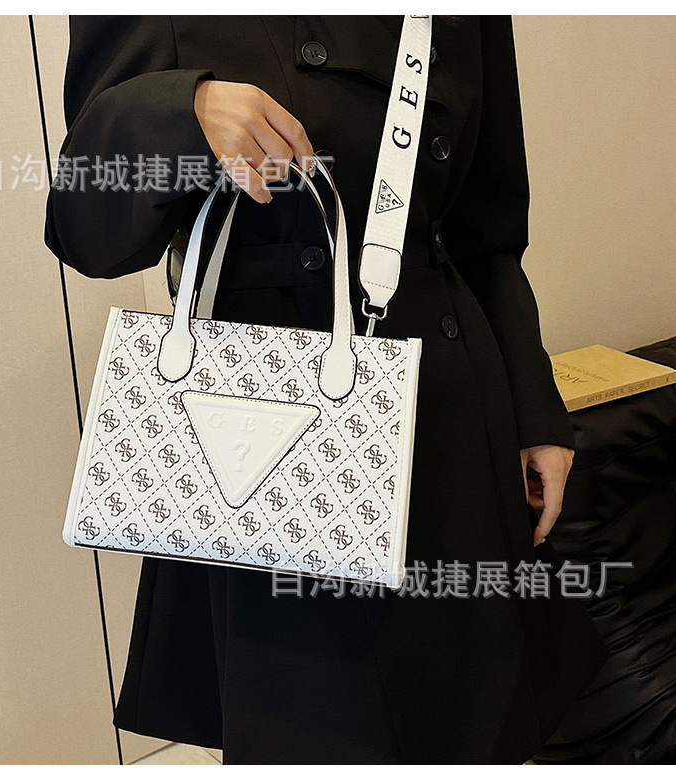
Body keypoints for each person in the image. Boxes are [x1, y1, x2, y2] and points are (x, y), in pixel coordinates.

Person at [44, 15, 611, 764]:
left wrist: (535, 408)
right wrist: (182, 114)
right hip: (277, 455)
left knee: (476, 724)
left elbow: (486, 229)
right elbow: (82, 223)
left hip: (450, 424)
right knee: (321, 732)